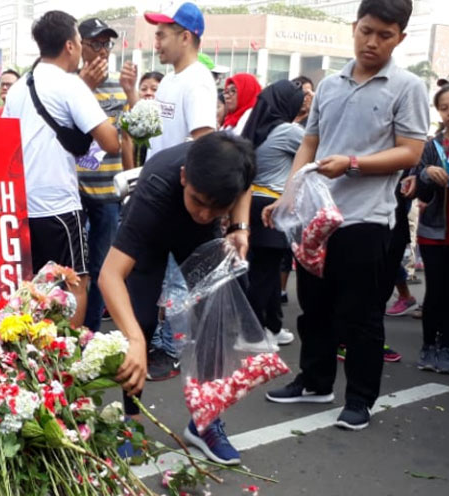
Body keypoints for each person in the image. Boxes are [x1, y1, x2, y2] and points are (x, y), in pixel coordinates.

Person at [263, 0, 429, 431]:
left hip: (366, 220)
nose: (372, 42)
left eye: (385, 35)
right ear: (354, 27)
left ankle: (360, 398)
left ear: (400, 38)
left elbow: (411, 151)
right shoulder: (330, 85)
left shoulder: (406, 87)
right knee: (313, 307)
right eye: (366, 31)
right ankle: (315, 380)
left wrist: (353, 163)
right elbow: (309, 144)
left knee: (359, 315)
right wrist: (287, 196)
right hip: (317, 218)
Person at [99, 132, 256, 464]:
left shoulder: (234, 164)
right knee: (139, 320)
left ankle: (206, 422)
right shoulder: (157, 187)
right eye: (198, 200)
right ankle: (133, 422)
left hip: (199, 241)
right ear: (185, 177)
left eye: (216, 207)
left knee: (216, 321)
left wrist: (239, 226)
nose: (203, 212)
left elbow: (245, 187)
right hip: (153, 232)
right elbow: (110, 275)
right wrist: (134, 339)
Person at [2, 10, 121, 328]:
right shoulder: (71, 86)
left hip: (22, 205)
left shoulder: (17, 88)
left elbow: (3, 142)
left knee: (35, 285)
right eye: (82, 42)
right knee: (75, 282)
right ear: (70, 45)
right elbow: (111, 142)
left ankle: (36, 355)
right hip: (59, 204)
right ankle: (68, 357)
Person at [76, 17, 138, 332]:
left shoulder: (119, 87)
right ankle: (67, 334)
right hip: (74, 192)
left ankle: (89, 334)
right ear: (78, 45)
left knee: (103, 269)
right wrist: (82, 87)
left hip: (109, 194)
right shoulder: (69, 84)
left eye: (106, 44)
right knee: (72, 269)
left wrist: (130, 184)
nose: (102, 51)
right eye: (95, 43)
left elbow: (128, 136)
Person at [240, 80, 305, 348]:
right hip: (272, 204)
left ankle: (273, 326)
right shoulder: (289, 131)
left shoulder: (255, 128)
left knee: (264, 269)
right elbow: (318, 147)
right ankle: (251, 335)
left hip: (251, 201)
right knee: (265, 273)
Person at [414, 83, 449, 384]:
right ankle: (427, 346)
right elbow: (417, 190)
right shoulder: (430, 147)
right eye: (445, 108)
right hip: (433, 230)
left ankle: (446, 346)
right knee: (434, 290)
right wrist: (425, 174)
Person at [144, 2, 217, 158]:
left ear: (185, 38)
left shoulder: (198, 81)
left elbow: (204, 148)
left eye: (161, 36)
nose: (156, 45)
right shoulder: (168, 79)